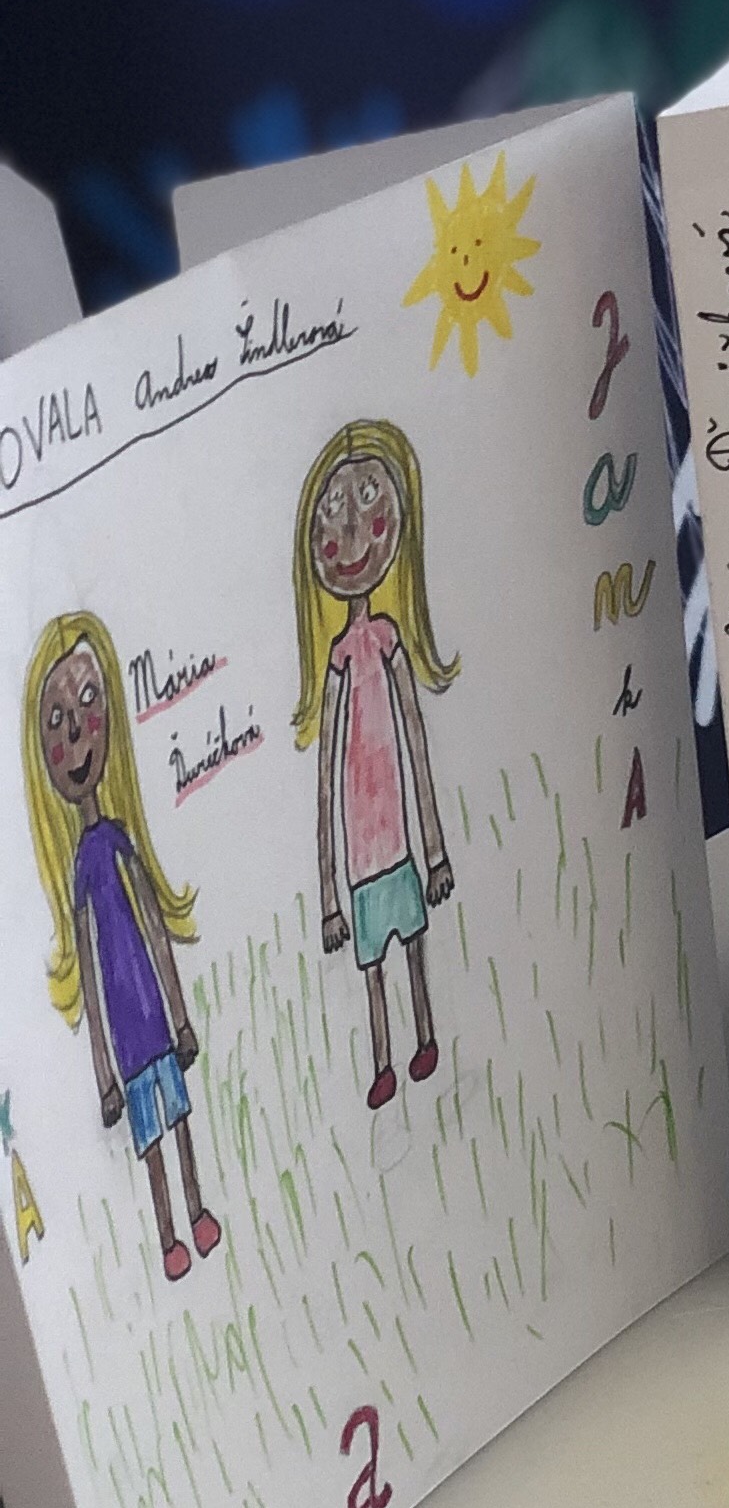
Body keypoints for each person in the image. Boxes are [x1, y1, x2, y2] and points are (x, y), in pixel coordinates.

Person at [25, 613, 219, 1275]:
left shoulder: (119, 842)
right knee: (150, 1140)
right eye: (56, 721)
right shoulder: (82, 866)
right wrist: (104, 1077)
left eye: (88, 704)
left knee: (180, 1121)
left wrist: (182, 1019)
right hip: (128, 1042)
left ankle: (198, 1211)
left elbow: (158, 935)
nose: (76, 731)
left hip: (158, 1025)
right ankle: (169, 1235)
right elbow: (88, 970)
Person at [293, 419, 459, 1107]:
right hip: (361, 863)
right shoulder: (337, 660)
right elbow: (326, 785)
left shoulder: (389, 643)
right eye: (336, 516)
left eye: (369, 505)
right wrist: (329, 900)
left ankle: (426, 1038)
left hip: (398, 849)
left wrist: (437, 855)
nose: (354, 534)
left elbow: (417, 747)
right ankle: (384, 1060)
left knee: (414, 947)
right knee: (373, 970)